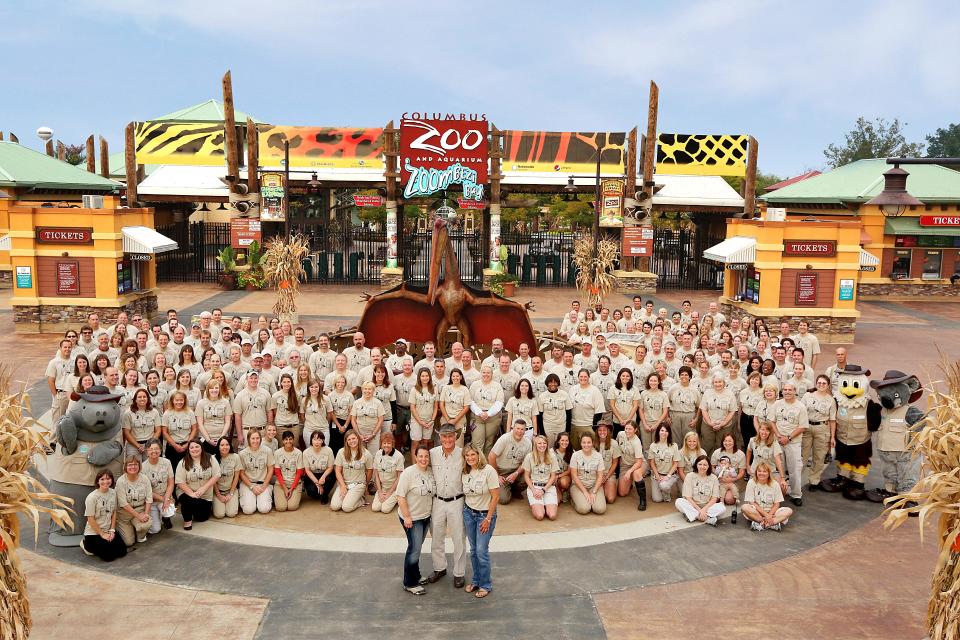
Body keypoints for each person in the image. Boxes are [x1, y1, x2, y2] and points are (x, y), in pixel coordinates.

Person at [428, 423, 468, 587]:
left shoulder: (463, 454)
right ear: (439, 437)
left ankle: (459, 573)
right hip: (437, 501)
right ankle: (439, 568)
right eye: (444, 436)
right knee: (436, 537)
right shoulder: (432, 454)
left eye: (450, 436)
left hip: (456, 501)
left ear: (456, 437)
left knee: (458, 538)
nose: (447, 439)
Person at [397, 445, 437, 595]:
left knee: (416, 547)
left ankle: (417, 575)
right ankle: (409, 583)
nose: (424, 459)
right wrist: (407, 517)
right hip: (412, 518)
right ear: (415, 456)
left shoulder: (431, 472)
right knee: (414, 549)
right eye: (420, 456)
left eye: (426, 456)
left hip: (425, 516)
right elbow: (400, 496)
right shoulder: (408, 473)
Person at [461, 442, 499, 598]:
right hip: (469, 513)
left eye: (472, 454)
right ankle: (476, 580)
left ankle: (485, 584)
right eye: (467, 455)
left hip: (485, 515)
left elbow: (495, 496)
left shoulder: (488, 471)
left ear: (478, 455)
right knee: (473, 550)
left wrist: (488, 518)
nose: (470, 458)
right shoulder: (465, 472)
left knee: (482, 551)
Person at [773, 382, 808, 506]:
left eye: (790, 390)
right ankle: (778, 493)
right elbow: (772, 421)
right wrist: (778, 435)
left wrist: (788, 438)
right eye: (785, 390)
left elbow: (803, 426)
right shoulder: (777, 404)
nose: (787, 392)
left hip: (793, 442)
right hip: (778, 441)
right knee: (778, 468)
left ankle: (796, 494)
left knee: (794, 469)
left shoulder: (800, 407)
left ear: (795, 391)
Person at [80, 470, 127, 561]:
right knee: (109, 557)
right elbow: (90, 519)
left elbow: (114, 512)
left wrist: (112, 530)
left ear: (112, 480)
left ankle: (105, 544)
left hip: (108, 530)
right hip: (94, 533)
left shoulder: (113, 493)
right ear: (98, 481)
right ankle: (85, 544)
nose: (105, 481)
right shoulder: (92, 497)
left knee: (122, 552)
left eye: (108, 478)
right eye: (102, 479)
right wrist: (102, 534)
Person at [175, 439, 221, 529]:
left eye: (197, 446)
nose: (194, 449)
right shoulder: (183, 462)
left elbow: (217, 475)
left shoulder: (211, 458)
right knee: (187, 502)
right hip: (187, 492)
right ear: (188, 449)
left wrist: (203, 488)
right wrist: (192, 494)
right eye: (191, 447)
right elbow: (180, 482)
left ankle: (193, 509)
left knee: (202, 518)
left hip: (205, 495)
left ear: (201, 448)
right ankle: (187, 521)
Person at [803, 374, 837, 492]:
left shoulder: (831, 400)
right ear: (816, 384)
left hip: (822, 429)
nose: (821, 385)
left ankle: (814, 480)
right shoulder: (808, 396)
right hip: (806, 427)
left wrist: (832, 437)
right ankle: (796, 480)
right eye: (819, 383)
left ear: (828, 386)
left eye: (824, 383)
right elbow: (800, 411)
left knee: (819, 456)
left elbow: (832, 420)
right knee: (803, 455)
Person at [488, 419, 533, 504]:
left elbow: (526, 462)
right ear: (513, 428)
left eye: (522, 429)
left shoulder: (528, 443)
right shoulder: (504, 438)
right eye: (517, 428)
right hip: (501, 471)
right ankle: (501, 488)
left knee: (529, 474)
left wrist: (516, 473)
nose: (519, 431)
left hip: (516, 470)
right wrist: (497, 475)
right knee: (503, 500)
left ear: (525, 430)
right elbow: (491, 457)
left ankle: (514, 490)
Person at [742, 462, 793, 531]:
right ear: (756, 472)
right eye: (759, 471)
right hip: (756, 512)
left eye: (764, 471)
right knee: (744, 507)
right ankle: (768, 522)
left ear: (769, 473)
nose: (761, 473)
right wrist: (766, 515)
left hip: (772, 512)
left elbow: (777, 504)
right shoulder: (751, 482)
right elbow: (752, 502)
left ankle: (765, 524)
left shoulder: (775, 484)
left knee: (789, 511)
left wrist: (769, 515)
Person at [331, 429, 372, 513]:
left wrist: (365, 485)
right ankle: (350, 497)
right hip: (344, 483)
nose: (351, 441)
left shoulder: (366, 454)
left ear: (358, 439)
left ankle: (361, 500)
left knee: (346, 507)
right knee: (335, 506)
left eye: (353, 438)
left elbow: (370, 471)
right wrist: (342, 486)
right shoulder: (341, 452)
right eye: (349, 439)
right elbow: (337, 471)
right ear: (346, 441)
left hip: (358, 484)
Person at [676, 455, 725, 525]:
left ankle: (693, 515)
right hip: (692, 505)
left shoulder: (714, 478)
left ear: (708, 466)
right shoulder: (690, 476)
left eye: (705, 465)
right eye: (700, 464)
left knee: (722, 507)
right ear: (696, 465)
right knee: (679, 502)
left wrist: (704, 509)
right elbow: (688, 497)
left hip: (707, 506)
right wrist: (700, 510)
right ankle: (707, 518)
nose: (702, 467)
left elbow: (714, 498)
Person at [115, 458, 153, 546]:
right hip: (125, 514)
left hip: (140, 509)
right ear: (125, 467)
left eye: (135, 464)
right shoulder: (121, 481)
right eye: (130, 465)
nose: (133, 467)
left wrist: (146, 514)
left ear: (139, 466)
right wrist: (139, 516)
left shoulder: (144, 478)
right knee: (129, 542)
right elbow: (123, 503)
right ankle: (122, 526)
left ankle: (139, 533)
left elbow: (149, 498)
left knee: (145, 525)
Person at [521, 434, 560, 520]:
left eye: (544, 443)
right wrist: (533, 490)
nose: (542, 445)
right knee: (540, 516)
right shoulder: (529, 456)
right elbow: (526, 476)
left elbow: (553, 476)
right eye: (539, 443)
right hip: (534, 487)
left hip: (548, 487)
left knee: (552, 516)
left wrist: (543, 490)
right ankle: (537, 504)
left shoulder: (552, 456)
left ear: (547, 444)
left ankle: (547, 502)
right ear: (535, 445)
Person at [469, 365, 505, 455]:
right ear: (481, 373)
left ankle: (486, 464)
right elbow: (470, 401)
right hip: (477, 417)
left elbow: (499, 402)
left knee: (489, 442)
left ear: (492, 374)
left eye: (488, 372)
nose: (486, 374)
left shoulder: (497, 386)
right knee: (477, 442)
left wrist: (488, 413)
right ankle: (477, 463)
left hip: (493, 417)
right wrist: (480, 413)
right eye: (484, 372)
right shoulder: (475, 385)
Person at [746, 421, 789, 497]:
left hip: (770, 471)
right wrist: (747, 465)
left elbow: (778, 461)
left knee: (783, 488)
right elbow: (749, 451)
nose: (764, 432)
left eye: (767, 430)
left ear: (770, 432)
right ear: (759, 430)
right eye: (762, 429)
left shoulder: (774, 443)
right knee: (753, 493)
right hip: (756, 471)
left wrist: (782, 478)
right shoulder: (752, 440)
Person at [569, 432, 607, 515]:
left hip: (594, 485)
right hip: (578, 486)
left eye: (589, 442)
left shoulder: (598, 456)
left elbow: (600, 476)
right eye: (584, 442)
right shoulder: (575, 455)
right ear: (581, 443)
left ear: (592, 443)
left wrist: (594, 492)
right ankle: (573, 500)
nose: (586, 445)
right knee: (584, 509)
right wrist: (585, 492)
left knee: (600, 509)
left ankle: (589, 499)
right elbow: (574, 476)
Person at [239, 429, 275, 515]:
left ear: (260, 439)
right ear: (248, 440)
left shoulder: (267, 451)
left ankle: (267, 494)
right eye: (253, 438)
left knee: (264, 509)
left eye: (257, 438)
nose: (255, 441)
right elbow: (242, 473)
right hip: (248, 484)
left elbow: (270, 470)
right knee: (248, 510)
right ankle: (246, 497)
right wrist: (252, 487)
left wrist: (264, 486)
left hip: (263, 483)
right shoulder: (242, 453)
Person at [142, 440, 175, 532]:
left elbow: (171, 482)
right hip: (152, 500)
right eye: (151, 449)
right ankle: (157, 515)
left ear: (160, 450)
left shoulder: (167, 462)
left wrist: (167, 498)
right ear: (147, 451)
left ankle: (165, 518)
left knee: (170, 512)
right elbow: (147, 490)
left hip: (165, 495)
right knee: (155, 529)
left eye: (156, 448)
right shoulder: (143, 467)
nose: (154, 451)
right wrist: (163, 499)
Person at [161, 391, 197, 472]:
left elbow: (194, 429)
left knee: (188, 470)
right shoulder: (167, 413)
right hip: (172, 447)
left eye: (181, 400)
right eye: (176, 400)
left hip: (187, 446)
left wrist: (188, 443)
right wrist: (175, 445)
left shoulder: (190, 412)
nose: (179, 402)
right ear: (172, 401)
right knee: (173, 471)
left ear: (184, 401)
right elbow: (164, 432)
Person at [122, 389, 162, 460]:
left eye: (144, 397)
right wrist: (138, 446)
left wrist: (148, 445)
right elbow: (126, 432)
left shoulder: (154, 412)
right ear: (135, 399)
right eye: (139, 397)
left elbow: (158, 430)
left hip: (150, 445)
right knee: (134, 467)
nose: (142, 399)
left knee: (149, 468)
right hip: (133, 445)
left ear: (148, 399)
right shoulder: (128, 413)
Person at [615, 421, 647, 510]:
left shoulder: (636, 442)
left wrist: (629, 472)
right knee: (622, 493)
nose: (627, 431)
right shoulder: (620, 434)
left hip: (638, 464)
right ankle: (630, 483)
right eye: (626, 428)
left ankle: (643, 501)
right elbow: (617, 446)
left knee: (636, 473)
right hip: (625, 465)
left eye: (630, 429)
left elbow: (639, 462)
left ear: (635, 430)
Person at [196, 380, 233, 455]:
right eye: (211, 388)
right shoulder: (201, 403)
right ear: (207, 390)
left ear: (219, 389)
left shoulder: (225, 402)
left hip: (222, 439)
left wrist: (221, 438)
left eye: (216, 388)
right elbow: (200, 424)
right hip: (205, 439)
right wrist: (208, 439)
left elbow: (227, 422)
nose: (214, 390)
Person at [371, 433, 405, 513]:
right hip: (383, 487)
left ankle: (397, 497)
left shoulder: (399, 456)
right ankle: (386, 498)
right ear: (381, 444)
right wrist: (379, 491)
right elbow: (376, 474)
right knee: (375, 508)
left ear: (393, 444)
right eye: (384, 443)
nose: (386, 445)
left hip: (394, 489)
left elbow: (399, 477)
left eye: (389, 443)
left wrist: (389, 493)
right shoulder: (378, 454)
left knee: (385, 509)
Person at [667, 365, 700, 446]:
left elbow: (699, 407)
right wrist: (667, 417)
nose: (684, 376)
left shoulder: (694, 390)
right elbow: (666, 403)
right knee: (675, 438)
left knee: (689, 437)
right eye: (682, 374)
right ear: (679, 376)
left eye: (686, 375)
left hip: (689, 415)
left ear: (690, 377)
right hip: (675, 414)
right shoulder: (673, 388)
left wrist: (696, 419)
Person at [273, 430, 304, 512]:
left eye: (290, 439)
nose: (288, 441)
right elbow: (277, 473)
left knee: (292, 507)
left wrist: (292, 488)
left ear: (293, 440)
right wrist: (285, 489)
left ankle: (295, 495)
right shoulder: (277, 453)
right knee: (281, 508)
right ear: (283, 441)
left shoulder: (298, 453)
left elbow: (299, 473)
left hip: (295, 484)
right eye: (286, 439)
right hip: (280, 484)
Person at [538, 373, 572, 448]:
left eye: (555, 382)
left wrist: (567, 430)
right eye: (550, 382)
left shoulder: (564, 394)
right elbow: (539, 415)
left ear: (558, 383)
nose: (553, 384)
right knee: (548, 448)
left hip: (561, 426)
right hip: (548, 427)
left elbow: (569, 413)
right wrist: (542, 432)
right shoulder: (542, 396)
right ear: (547, 383)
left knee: (560, 447)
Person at [711, 433, 746, 506]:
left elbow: (742, 472)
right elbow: (712, 467)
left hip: (733, 481)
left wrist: (732, 479)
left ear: (734, 441)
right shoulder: (717, 452)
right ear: (722, 442)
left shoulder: (741, 454)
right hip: (719, 480)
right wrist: (719, 476)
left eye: (730, 441)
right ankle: (719, 496)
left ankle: (727, 495)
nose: (727, 443)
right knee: (713, 498)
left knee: (729, 500)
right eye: (725, 441)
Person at [409, 367, 439, 451]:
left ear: (430, 377)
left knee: (425, 442)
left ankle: (423, 462)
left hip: (429, 421)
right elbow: (412, 407)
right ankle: (415, 463)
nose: (425, 378)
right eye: (423, 376)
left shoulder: (434, 389)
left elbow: (435, 406)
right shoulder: (414, 389)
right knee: (416, 442)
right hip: (417, 420)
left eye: (427, 376)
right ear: (419, 377)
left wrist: (432, 420)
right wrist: (420, 421)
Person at [440, 369, 470, 447]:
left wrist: (455, 420)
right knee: (446, 442)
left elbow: (466, 407)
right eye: (453, 376)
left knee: (459, 443)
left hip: (460, 420)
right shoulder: (446, 388)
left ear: (461, 377)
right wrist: (448, 419)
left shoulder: (465, 389)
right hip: (446, 419)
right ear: (451, 377)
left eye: (457, 376)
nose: (455, 378)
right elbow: (441, 404)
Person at [303, 431, 336, 503]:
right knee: (313, 493)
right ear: (311, 440)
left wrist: (323, 477)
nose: (317, 442)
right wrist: (317, 483)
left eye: (319, 440)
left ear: (323, 441)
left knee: (331, 477)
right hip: (312, 474)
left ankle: (325, 494)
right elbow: (307, 470)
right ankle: (319, 491)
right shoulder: (306, 452)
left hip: (325, 473)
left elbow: (330, 467)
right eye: (314, 439)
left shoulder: (328, 450)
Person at [639, 373, 669, 451]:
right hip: (645, 423)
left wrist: (656, 425)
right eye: (651, 380)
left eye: (655, 381)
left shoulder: (663, 394)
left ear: (659, 382)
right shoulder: (643, 393)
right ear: (648, 381)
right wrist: (645, 424)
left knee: (657, 446)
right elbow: (640, 410)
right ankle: (648, 463)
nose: (653, 382)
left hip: (658, 424)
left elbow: (665, 411)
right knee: (646, 447)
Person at [213, 437, 241, 518]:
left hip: (231, 489)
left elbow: (236, 477)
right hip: (217, 491)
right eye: (222, 445)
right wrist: (218, 495)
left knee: (231, 514)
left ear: (230, 446)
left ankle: (235, 498)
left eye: (227, 445)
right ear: (218, 447)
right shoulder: (213, 458)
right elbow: (213, 480)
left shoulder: (236, 457)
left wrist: (231, 493)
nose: (225, 447)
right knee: (219, 515)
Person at [327, 374, 355, 453]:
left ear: (345, 383)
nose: (340, 384)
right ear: (335, 383)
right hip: (335, 422)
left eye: (342, 382)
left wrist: (345, 426)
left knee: (346, 442)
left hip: (347, 421)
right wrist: (339, 426)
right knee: (334, 443)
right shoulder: (330, 395)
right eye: (338, 382)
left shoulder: (349, 395)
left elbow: (351, 412)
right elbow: (331, 412)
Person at [594, 423, 621, 504]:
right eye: (600, 430)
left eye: (604, 430)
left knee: (610, 499)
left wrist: (606, 477)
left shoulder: (614, 443)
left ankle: (609, 486)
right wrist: (599, 477)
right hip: (596, 474)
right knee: (599, 498)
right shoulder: (592, 443)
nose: (602, 432)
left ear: (608, 431)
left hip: (609, 474)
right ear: (597, 432)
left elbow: (615, 463)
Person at [302, 380, 333, 449]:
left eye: (316, 387)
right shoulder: (304, 400)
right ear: (308, 388)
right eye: (311, 387)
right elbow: (302, 415)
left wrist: (324, 423)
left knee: (324, 449)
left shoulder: (326, 399)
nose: (314, 389)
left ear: (319, 388)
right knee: (310, 450)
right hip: (309, 429)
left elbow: (329, 414)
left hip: (323, 429)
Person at [608, 369, 639, 437]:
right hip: (617, 420)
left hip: (631, 420)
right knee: (618, 440)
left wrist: (628, 420)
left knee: (631, 439)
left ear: (630, 377)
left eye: (627, 376)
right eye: (623, 376)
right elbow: (612, 405)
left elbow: (635, 406)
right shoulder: (613, 389)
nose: (625, 377)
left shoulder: (635, 389)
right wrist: (620, 419)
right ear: (619, 376)